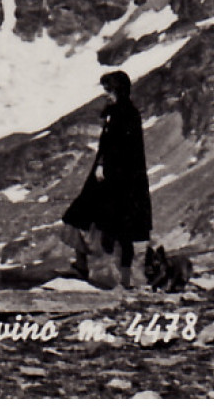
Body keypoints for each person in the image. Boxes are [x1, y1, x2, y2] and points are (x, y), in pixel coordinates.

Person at [61, 69, 152, 289]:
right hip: (107, 178)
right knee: (80, 215)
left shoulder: (128, 115)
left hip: (122, 182)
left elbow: (125, 151)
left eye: (109, 90)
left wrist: (106, 168)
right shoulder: (114, 113)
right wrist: (102, 166)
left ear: (119, 90)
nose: (106, 94)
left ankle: (123, 280)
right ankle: (83, 266)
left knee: (122, 231)